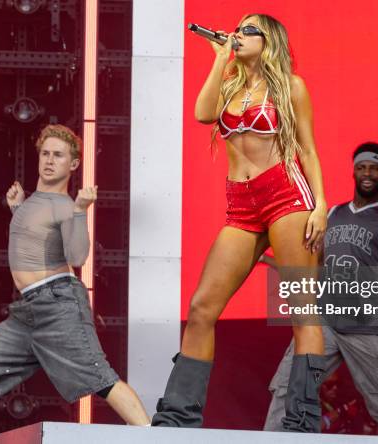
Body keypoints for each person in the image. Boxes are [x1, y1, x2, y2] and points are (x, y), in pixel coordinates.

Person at [152, 14, 328, 433]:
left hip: (287, 196)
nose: (239, 34)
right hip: (242, 204)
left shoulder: (291, 86)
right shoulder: (229, 86)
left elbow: (308, 149)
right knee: (200, 308)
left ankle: (302, 423)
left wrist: (320, 204)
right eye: (238, 28)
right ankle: (177, 420)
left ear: (269, 41)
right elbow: (202, 113)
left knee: (302, 311)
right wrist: (219, 60)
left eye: (249, 30)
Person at [0, 125, 149, 443]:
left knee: (101, 378)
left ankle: (151, 437)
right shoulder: (32, 202)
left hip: (59, 305)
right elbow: (33, 237)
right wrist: (17, 208)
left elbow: (78, 256)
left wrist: (82, 211)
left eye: (58, 155)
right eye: (45, 153)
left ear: (73, 164)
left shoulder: (66, 206)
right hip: (27, 312)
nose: (49, 160)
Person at [263, 142, 378, 435]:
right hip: (326, 319)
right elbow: (313, 267)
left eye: (374, 168)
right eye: (362, 167)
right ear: (354, 171)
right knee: (289, 388)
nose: (367, 173)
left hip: (368, 326)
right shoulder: (331, 215)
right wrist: (268, 259)